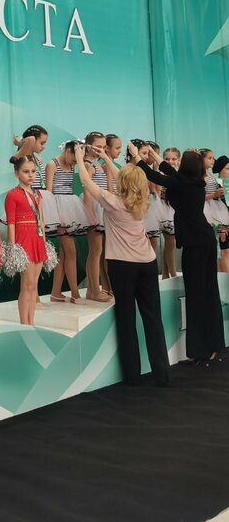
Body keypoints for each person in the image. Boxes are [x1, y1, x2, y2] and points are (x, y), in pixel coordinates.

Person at [75, 143, 170, 386]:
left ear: (123, 184)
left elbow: (87, 182)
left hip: (122, 266)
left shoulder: (113, 202)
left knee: (126, 319)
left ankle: (132, 376)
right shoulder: (143, 201)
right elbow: (128, 180)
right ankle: (162, 374)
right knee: (153, 318)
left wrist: (79, 157)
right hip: (147, 263)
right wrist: (107, 157)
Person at [131, 142, 224, 365]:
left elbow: (154, 174)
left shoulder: (180, 183)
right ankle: (213, 345)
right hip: (205, 240)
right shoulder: (195, 181)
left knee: (196, 295)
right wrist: (153, 154)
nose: (176, 164)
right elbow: (169, 171)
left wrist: (137, 156)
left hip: (195, 244)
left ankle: (201, 350)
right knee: (209, 292)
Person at [5, 155, 48, 324]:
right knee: (27, 284)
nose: (30, 175)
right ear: (17, 173)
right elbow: (11, 223)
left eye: (33, 171)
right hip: (23, 241)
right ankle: (24, 323)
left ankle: (32, 321)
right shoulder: (12, 195)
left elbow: (42, 220)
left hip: (37, 240)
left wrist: (43, 242)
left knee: (33, 285)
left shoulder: (38, 194)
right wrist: (12, 247)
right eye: (26, 172)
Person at [46, 141, 90, 303]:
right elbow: (48, 192)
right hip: (58, 210)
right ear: (68, 151)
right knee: (71, 252)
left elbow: (70, 188)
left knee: (65, 254)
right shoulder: (52, 164)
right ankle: (75, 293)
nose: (74, 163)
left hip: (70, 208)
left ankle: (55, 292)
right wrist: (55, 217)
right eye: (74, 159)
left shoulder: (71, 166)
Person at [12, 123, 60, 236]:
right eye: (42, 143)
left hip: (41, 196)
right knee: (32, 231)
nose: (44, 146)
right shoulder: (23, 155)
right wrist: (19, 143)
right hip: (29, 196)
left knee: (41, 232)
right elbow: (30, 139)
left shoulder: (37, 158)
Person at [82, 131, 112, 302]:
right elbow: (87, 191)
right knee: (95, 251)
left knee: (99, 251)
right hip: (94, 208)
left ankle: (96, 289)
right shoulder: (88, 164)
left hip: (101, 207)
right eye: (98, 146)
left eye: (103, 146)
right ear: (88, 146)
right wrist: (89, 213)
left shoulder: (96, 163)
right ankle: (93, 290)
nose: (101, 149)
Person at [161, 147, 180, 279]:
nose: (170, 162)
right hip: (162, 208)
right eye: (167, 159)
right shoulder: (160, 174)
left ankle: (165, 273)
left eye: (173, 159)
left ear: (178, 160)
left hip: (173, 209)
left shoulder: (179, 175)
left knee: (169, 242)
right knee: (170, 242)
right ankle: (172, 273)